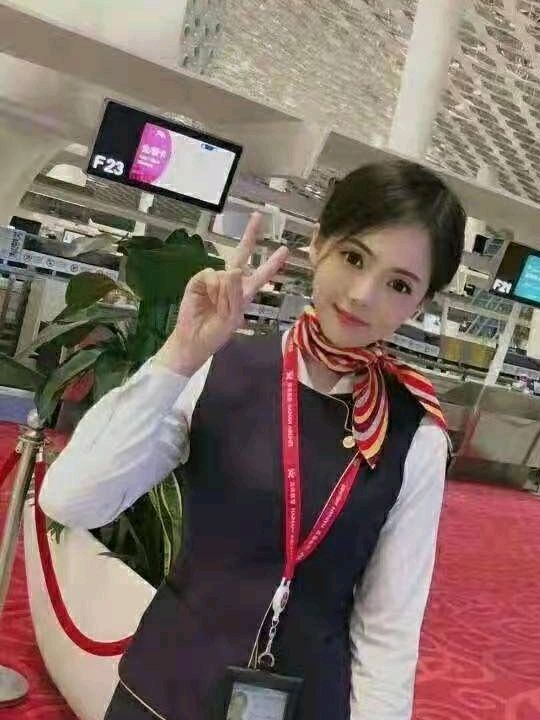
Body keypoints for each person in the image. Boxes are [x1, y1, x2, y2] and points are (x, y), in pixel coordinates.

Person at [39, 159, 466, 720]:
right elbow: (71, 500)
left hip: (306, 702)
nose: (364, 294)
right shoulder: (218, 366)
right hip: (165, 690)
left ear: (421, 303)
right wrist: (179, 355)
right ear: (319, 243)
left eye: (399, 284)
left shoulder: (415, 434)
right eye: (354, 257)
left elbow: (389, 626)